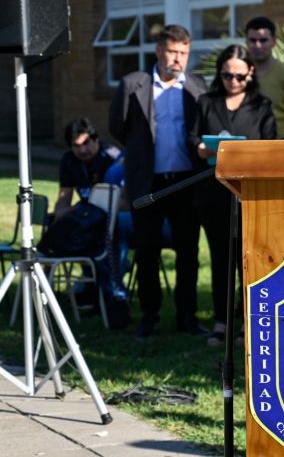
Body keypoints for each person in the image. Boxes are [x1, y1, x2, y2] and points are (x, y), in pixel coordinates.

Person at [109, 24, 208, 341]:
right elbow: (119, 128)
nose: (178, 59)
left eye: (183, 53)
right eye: (172, 51)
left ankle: (187, 317)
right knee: (147, 252)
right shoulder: (132, 84)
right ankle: (149, 317)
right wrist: (139, 158)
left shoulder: (196, 87)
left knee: (188, 252)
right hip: (147, 184)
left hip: (186, 183)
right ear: (158, 51)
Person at [190, 44, 276, 346]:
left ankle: (247, 324)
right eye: (227, 75)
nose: (233, 82)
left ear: (250, 73)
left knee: (248, 260)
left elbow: (270, 148)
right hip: (213, 193)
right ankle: (221, 322)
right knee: (220, 258)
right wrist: (201, 149)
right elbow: (193, 138)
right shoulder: (206, 102)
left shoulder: (262, 106)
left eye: (239, 76)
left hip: (249, 195)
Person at [48, 117, 129, 329]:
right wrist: (66, 213)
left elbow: (123, 202)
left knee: (111, 236)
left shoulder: (112, 158)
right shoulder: (69, 161)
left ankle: (112, 298)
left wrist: (83, 210)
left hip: (117, 219)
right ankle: (84, 294)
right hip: (88, 221)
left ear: (96, 139)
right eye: (76, 146)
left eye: (86, 144)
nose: (82, 150)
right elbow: (63, 201)